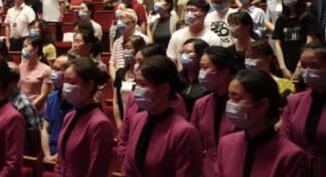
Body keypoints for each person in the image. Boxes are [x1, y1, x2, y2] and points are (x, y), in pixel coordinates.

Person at [120, 55, 202, 176]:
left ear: (164, 88)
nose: (137, 89)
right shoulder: (138, 119)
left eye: (143, 84)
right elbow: (129, 169)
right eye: (136, 83)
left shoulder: (184, 132)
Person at [215, 69, 308, 176]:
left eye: (236, 98)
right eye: (229, 97)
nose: (230, 103)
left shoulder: (291, 156)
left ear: (263, 105)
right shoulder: (226, 144)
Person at [280, 42, 326, 176]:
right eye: (303, 66)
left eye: (314, 66)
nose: (307, 71)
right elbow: (284, 142)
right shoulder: (293, 101)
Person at [54, 57, 114, 177]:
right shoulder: (69, 116)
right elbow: (61, 161)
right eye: (64, 81)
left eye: (71, 82)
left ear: (89, 86)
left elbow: (97, 171)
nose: (65, 86)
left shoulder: (100, 124)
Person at [190, 46, 239, 177]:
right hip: (208, 170)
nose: (201, 72)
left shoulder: (242, 105)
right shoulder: (200, 104)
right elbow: (195, 144)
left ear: (224, 72)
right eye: (200, 68)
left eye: (205, 68)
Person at [273, 0, 318, 76]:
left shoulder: (308, 17)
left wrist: (299, 65)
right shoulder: (281, 20)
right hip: (286, 63)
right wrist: (283, 67)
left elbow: (310, 42)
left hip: (304, 63)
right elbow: (277, 44)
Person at [166, 0, 222, 67]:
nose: (189, 14)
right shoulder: (176, 35)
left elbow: (215, 64)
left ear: (204, 13)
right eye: (187, 10)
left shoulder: (213, 38)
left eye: (193, 10)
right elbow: (171, 58)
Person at [41, 55, 74, 161]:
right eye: (52, 68)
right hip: (50, 154)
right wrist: (47, 155)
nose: (52, 73)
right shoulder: (52, 97)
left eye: (57, 69)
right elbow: (45, 129)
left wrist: (56, 157)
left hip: (68, 157)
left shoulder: (76, 101)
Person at [113, 36, 146, 129]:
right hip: (124, 121)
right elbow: (115, 101)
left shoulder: (145, 74)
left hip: (141, 121)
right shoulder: (120, 72)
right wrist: (119, 123)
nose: (125, 51)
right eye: (124, 48)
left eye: (129, 48)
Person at [18, 37, 52, 112]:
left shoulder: (46, 69)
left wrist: (29, 109)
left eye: (26, 46)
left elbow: (43, 95)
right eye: (23, 46)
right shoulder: (21, 66)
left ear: (36, 48)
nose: (23, 49)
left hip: (37, 110)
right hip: (21, 106)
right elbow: (18, 89)